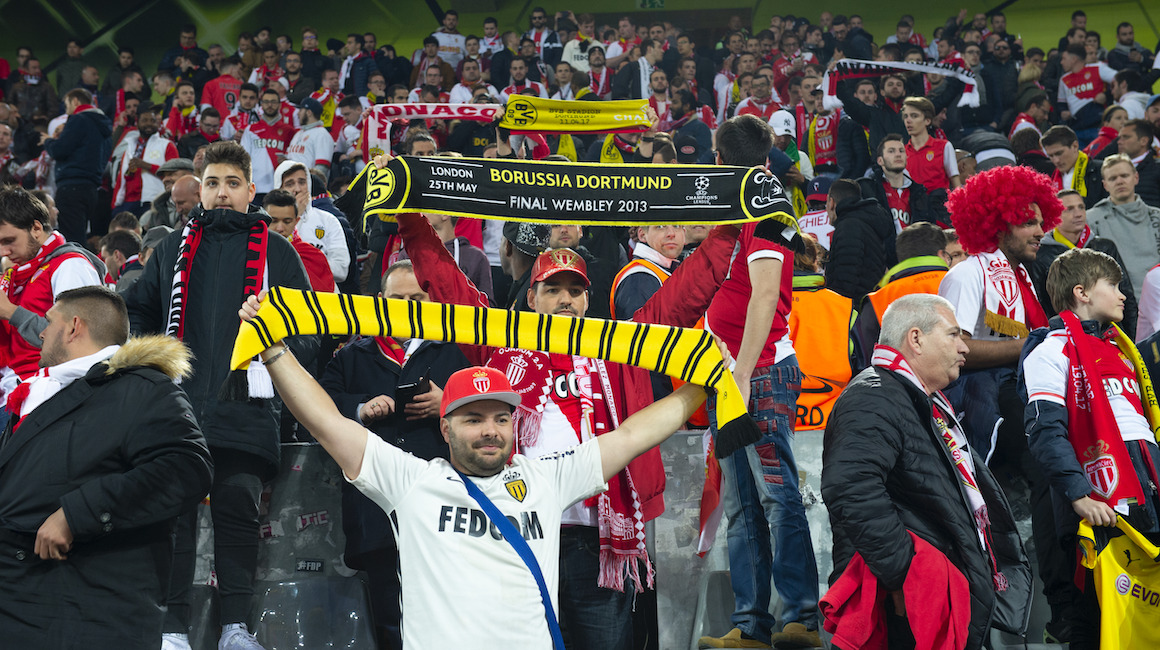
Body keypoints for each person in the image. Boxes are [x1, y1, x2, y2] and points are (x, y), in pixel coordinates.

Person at [378, 145, 741, 650]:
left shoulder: (620, 348)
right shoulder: (500, 347)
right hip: (519, 529)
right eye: (553, 290)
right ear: (531, 298)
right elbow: (446, 284)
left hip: (599, 542)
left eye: (575, 290)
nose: (565, 299)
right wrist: (410, 220)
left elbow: (688, 290)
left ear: (589, 299)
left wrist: (734, 223)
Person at [242, 277, 713, 648]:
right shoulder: (412, 481)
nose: (490, 430)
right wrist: (274, 350)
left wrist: (703, 384)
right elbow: (327, 422)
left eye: (500, 418)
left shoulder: (545, 479)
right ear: (445, 428)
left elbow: (632, 435)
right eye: (473, 419)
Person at [125, 141, 316, 650]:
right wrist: (149, 357)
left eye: (232, 183)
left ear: (251, 191)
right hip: (178, 408)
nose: (222, 193)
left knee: (237, 515)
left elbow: (311, 329)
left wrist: (275, 339)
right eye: (212, 183)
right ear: (200, 190)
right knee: (173, 519)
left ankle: (235, 628)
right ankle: (171, 630)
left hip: (245, 406)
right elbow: (137, 310)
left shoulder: (278, 252)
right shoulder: (172, 248)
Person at [0, 286, 213, 649]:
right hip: (28, 602)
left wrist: (77, 514)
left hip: (83, 612)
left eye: (49, 322)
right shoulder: (53, 391)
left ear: (74, 327)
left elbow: (187, 467)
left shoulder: (145, 389)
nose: (42, 333)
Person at [822, 293, 1031, 649]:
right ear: (916, 339)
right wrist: (905, 575)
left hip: (935, 597)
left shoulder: (914, 398)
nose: (964, 347)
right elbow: (850, 488)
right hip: (908, 606)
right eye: (953, 335)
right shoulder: (873, 395)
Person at [937, 165, 1081, 641]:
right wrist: (1033, 346)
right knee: (1050, 467)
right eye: (1027, 222)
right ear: (996, 224)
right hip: (989, 400)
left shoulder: (1027, 274)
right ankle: (1063, 607)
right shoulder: (966, 273)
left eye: (1041, 220)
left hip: (1027, 389)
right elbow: (954, 350)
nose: (1041, 230)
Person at [698, 114, 821, 650]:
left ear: (719, 161)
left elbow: (767, 294)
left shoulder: (765, 206)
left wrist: (743, 372)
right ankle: (751, 626)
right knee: (741, 505)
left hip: (760, 371)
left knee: (775, 497)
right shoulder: (750, 209)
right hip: (730, 375)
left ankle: (802, 618)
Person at [318, 259, 469, 647]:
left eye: (417, 299)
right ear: (380, 301)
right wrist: (359, 408)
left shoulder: (456, 353)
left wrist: (449, 403)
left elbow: (493, 417)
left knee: (450, 619)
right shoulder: (350, 356)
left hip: (444, 512)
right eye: (397, 299)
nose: (407, 307)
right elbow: (314, 410)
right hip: (376, 514)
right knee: (389, 622)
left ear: (431, 302)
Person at [1022, 247, 1160, 647]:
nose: (1123, 295)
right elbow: (1045, 431)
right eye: (1112, 286)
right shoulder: (1049, 350)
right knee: (1093, 617)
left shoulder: (1124, 351)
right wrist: (1079, 494)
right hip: (1096, 501)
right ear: (1081, 293)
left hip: (1147, 491)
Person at [1031, 189, 1138, 336]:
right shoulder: (1041, 254)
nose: (1078, 213)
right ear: (1055, 215)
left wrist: (1133, 338)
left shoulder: (1105, 246)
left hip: (1111, 332)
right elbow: (1042, 304)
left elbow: (1127, 294)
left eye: (1081, 207)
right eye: (1069, 209)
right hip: (1068, 334)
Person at [853, 222, 952, 369]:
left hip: (899, 379)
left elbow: (868, 358)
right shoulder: (959, 283)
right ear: (941, 255)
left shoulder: (878, 298)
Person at [42, 88, 111, 244]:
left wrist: (48, 141)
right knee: (79, 237)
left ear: (75, 101)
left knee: (71, 240)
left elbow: (59, 150)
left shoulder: (78, 119)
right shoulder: (104, 127)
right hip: (92, 190)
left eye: (67, 105)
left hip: (71, 187)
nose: (67, 111)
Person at [1086, 154, 1160, 298]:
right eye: (1113, 178)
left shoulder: (1157, 216)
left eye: (1124, 176)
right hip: (1119, 301)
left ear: (1136, 177)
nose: (1119, 181)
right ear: (1105, 185)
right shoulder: (1090, 220)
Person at [824, 178, 896, 303]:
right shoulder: (866, 222)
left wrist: (838, 305)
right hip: (869, 302)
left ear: (831, 203)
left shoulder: (849, 226)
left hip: (854, 306)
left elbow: (846, 276)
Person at [858, 134, 939, 232]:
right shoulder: (868, 190)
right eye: (891, 151)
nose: (898, 154)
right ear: (880, 161)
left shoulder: (919, 193)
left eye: (901, 151)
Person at [111, 107, 178, 217]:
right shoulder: (130, 147)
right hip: (127, 202)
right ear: (137, 123)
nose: (149, 124)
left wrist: (146, 166)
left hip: (154, 200)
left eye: (152, 121)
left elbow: (175, 174)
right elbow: (121, 178)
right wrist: (115, 205)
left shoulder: (167, 145)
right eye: (144, 120)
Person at [263, 189, 334, 292]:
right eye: (273, 221)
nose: (280, 228)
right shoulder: (249, 248)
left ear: (296, 221)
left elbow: (322, 297)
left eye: (287, 222)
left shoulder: (313, 256)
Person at [610, 224, 685, 320]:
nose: (671, 233)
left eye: (677, 226)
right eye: (660, 226)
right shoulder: (639, 278)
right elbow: (638, 329)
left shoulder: (665, 271)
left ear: (684, 232)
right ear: (642, 234)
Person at [901, 96, 960, 192]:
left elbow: (956, 183)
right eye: (905, 116)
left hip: (939, 200)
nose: (908, 120)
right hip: (913, 201)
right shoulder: (902, 152)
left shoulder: (944, 146)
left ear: (927, 121)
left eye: (914, 116)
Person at [1041, 125, 1107, 208]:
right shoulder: (1049, 178)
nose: (1056, 160)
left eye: (1059, 153)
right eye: (1051, 156)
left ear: (1075, 146)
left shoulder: (1101, 170)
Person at [1115, 119, 1160, 208]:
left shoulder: (1157, 168)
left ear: (1143, 141)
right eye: (1120, 137)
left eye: (1126, 137)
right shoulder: (1111, 168)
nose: (1119, 142)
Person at [285, 97, 333, 176]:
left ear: (309, 112)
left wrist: (309, 181)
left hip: (306, 181)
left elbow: (321, 168)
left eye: (301, 110)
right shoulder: (298, 134)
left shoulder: (322, 134)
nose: (298, 114)